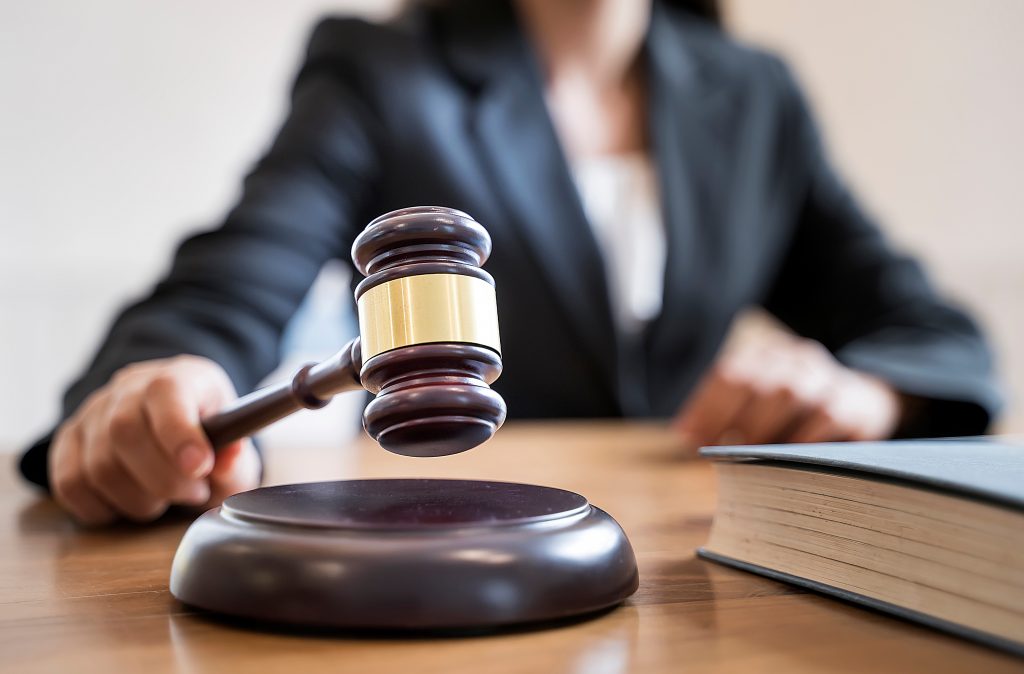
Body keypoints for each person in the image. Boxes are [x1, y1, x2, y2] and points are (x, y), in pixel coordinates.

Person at [21, 0, 1001, 525]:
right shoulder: (379, 70)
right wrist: (155, 390)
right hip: (463, 543)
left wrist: (868, 394)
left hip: (702, 565)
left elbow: (933, 335)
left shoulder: (753, 97)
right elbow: (221, 290)